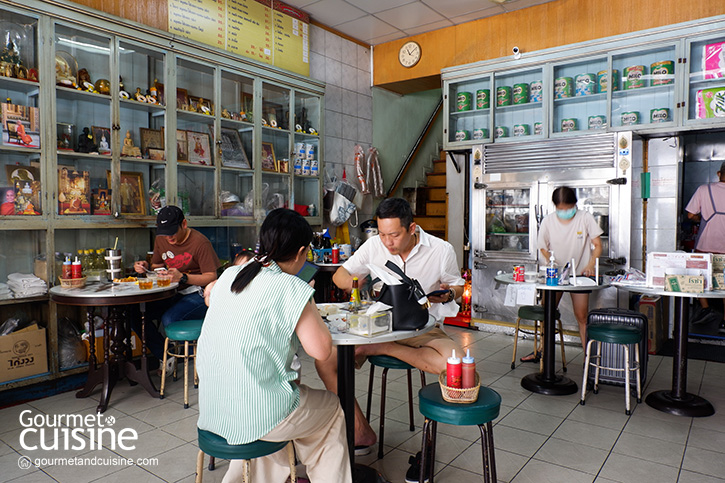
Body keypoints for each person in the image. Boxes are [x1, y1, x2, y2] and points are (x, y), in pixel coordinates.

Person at [197, 209, 351, 483]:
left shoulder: (231, 274)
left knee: (271, 400)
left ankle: (258, 476)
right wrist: (305, 296)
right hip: (258, 415)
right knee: (330, 409)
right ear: (301, 252)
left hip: (213, 410)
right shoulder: (291, 287)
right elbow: (321, 351)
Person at [318, 198, 463, 475]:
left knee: (452, 363)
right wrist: (356, 284)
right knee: (325, 361)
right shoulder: (374, 245)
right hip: (378, 324)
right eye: (383, 234)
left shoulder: (441, 250)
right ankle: (360, 431)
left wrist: (450, 293)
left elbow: (457, 285)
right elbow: (339, 276)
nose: (387, 242)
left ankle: (383, 349)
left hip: (423, 327)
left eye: (394, 235)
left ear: (412, 228)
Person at [132, 205, 219, 362]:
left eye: (172, 232)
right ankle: (166, 357)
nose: (168, 238)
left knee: (169, 319)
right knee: (134, 314)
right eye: (164, 233)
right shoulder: (162, 239)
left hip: (199, 293)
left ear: (184, 224)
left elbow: (211, 276)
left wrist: (183, 278)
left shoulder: (200, 243)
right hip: (172, 291)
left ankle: (205, 357)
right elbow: (157, 265)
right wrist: (146, 267)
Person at [534, 186, 603, 355]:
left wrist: (591, 264)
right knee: (547, 312)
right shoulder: (548, 221)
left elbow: (598, 245)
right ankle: (543, 350)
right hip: (554, 275)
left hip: (580, 274)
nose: (564, 212)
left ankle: (589, 357)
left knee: (582, 316)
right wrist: (550, 258)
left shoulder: (585, 218)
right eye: (560, 209)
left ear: (574, 204)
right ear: (555, 206)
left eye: (568, 208)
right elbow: (542, 247)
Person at [685, 162, 725, 332]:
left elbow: (690, 214)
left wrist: (701, 219)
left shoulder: (704, 189)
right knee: (724, 283)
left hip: (705, 245)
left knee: (698, 278)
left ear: (718, 173)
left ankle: (706, 307)